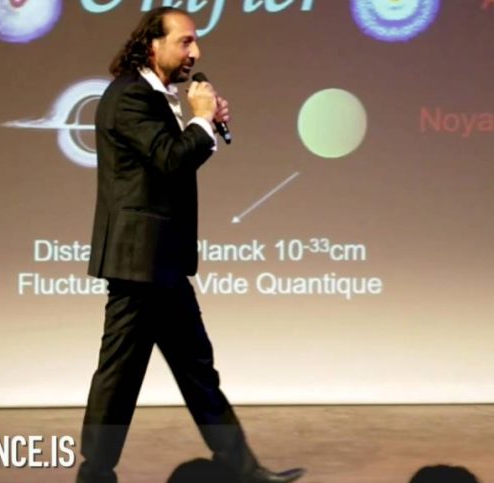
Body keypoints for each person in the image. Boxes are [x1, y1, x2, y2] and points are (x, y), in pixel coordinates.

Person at [77, 7, 305, 483]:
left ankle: (244, 469)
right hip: (139, 265)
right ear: (152, 45)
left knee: (199, 372)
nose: (195, 52)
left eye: (195, 42)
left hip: (161, 264)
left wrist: (203, 126)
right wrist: (200, 120)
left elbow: (171, 161)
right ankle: (95, 472)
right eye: (185, 41)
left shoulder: (153, 97)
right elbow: (169, 160)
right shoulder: (130, 96)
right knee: (119, 377)